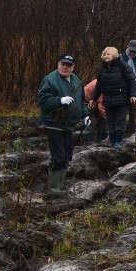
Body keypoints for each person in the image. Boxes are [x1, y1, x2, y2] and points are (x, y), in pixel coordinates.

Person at [37, 54, 89, 195]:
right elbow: (42, 101)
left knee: (67, 156)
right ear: (58, 64)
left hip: (68, 125)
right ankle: (54, 189)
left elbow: (81, 101)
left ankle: (60, 186)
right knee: (58, 156)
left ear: (73, 67)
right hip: (54, 124)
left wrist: (85, 115)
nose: (65, 67)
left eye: (69, 65)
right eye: (63, 64)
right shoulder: (50, 80)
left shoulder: (76, 80)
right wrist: (59, 100)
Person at [90, 47, 136, 148]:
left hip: (122, 99)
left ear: (114, 55)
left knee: (120, 120)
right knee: (110, 121)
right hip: (108, 99)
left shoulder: (122, 66)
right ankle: (112, 141)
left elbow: (132, 81)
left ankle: (118, 141)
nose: (106, 56)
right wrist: (93, 98)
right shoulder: (102, 68)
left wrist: (133, 95)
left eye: (108, 54)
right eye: (105, 54)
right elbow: (99, 85)